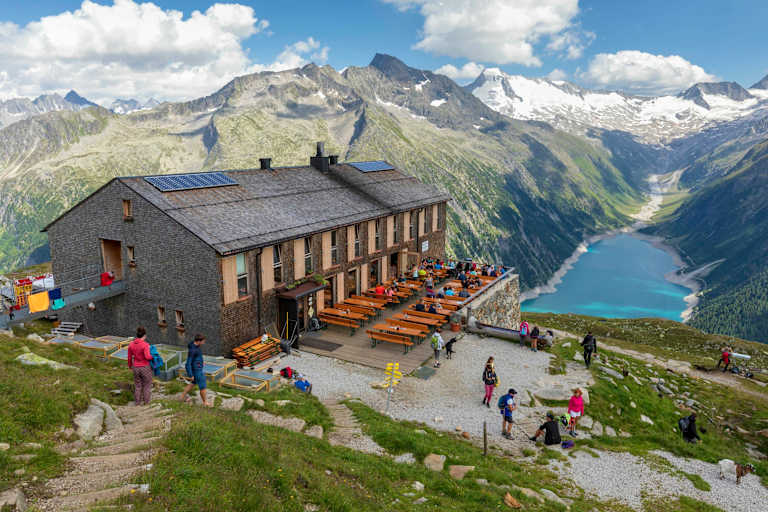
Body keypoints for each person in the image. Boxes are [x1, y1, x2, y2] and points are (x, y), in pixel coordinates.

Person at [180, 333, 212, 407]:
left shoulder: (194, 345)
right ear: (199, 341)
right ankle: (205, 402)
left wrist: (200, 362)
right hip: (197, 371)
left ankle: (182, 397)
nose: (204, 342)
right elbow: (187, 363)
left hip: (197, 367)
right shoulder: (193, 350)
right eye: (203, 341)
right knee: (203, 386)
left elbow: (196, 358)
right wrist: (190, 374)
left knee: (192, 383)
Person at [127, 326, 153, 406]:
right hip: (144, 367)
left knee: (138, 385)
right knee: (147, 385)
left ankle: (137, 403)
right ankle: (146, 402)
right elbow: (147, 357)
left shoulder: (131, 344)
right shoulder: (145, 345)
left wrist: (130, 366)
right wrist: (153, 356)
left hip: (135, 367)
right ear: (144, 336)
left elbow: (129, 357)